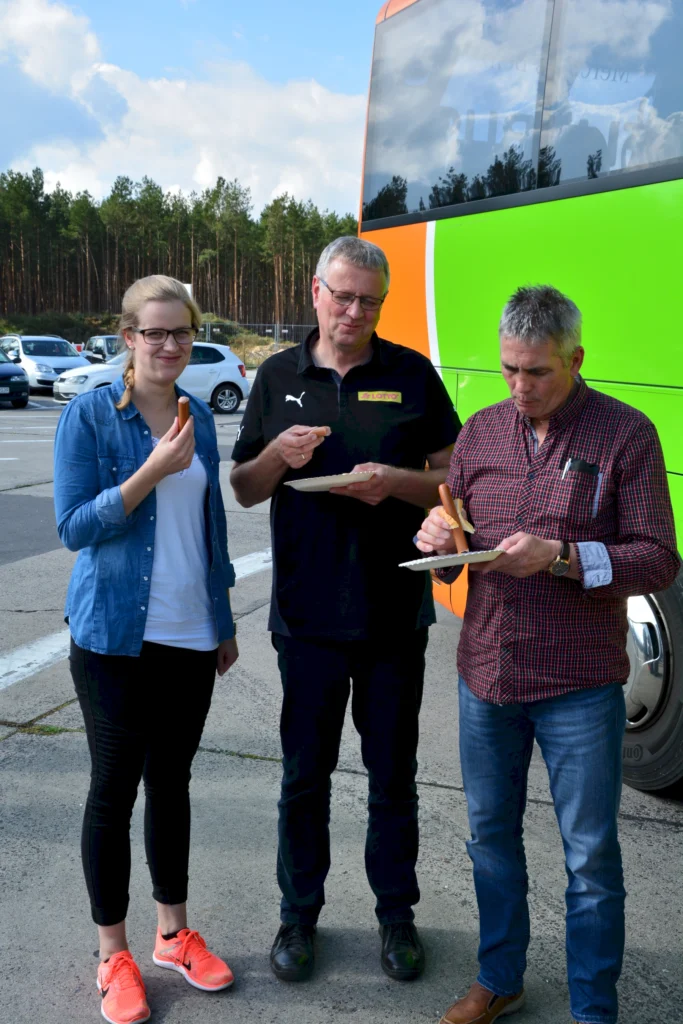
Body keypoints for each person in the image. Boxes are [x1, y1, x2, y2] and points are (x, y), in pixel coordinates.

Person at [416, 285, 679, 1024]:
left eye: (538, 373)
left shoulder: (625, 434)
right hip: (486, 675)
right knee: (489, 840)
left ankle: (594, 1007)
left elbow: (658, 559)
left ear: (576, 359)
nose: (520, 388)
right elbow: (454, 537)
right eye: (509, 370)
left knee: (590, 860)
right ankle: (499, 978)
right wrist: (437, 542)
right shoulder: (480, 433)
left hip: (578, 682)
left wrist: (562, 557)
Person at [230, 236, 461, 983]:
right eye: (342, 294)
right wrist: (278, 457)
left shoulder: (410, 373)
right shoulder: (275, 376)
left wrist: (393, 481)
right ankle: (298, 919)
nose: (354, 311)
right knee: (305, 777)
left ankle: (396, 917)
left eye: (369, 300)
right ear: (314, 291)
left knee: (393, 778)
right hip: (305, 617)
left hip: (394, 613)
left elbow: (452, 473)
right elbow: (244, 485)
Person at [53, 275, 239, 1024]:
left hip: (190, 637)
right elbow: (73, 526)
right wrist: (147, 474)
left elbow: (209, 527)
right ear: (126, 337)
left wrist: (221, 622)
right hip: (114, 640)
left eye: (180, 333)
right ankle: (112, 954)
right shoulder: (92, 416)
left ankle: (171, 934)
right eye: (152, 332)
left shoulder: (201, 418)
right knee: (113, 791)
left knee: (172, 786)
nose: (167, 345)